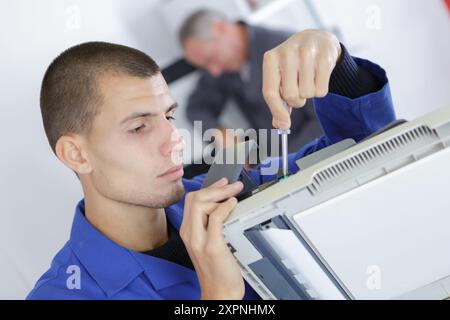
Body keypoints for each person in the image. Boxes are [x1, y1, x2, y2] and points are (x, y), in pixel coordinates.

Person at [27, 28, 395, 299]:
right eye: (138, 127)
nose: (175, 141)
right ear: (76, 154)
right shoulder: (64, 294)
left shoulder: (226, 188)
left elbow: (368, 156)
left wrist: (337, 64)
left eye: (169, 117)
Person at [179, 9, 323, 154]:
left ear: (221, 29)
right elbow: (196, 108)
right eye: (205, 66)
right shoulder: (221, 67)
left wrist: (283, 163)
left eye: (211, 59)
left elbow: (322, 120)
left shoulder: (285, 48)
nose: (214, 71)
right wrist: (221, 135)